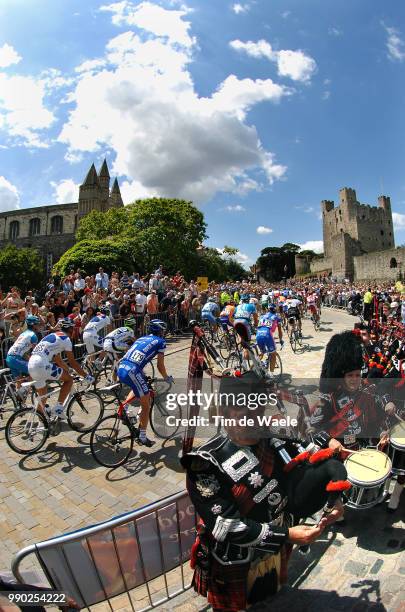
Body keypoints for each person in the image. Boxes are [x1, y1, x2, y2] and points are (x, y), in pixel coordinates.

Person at [182, 373, 347, 612]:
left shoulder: (274, 437)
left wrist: (335, 494)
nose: (252, 418)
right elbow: (226, 526)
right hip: (235, 557)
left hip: (272, 546)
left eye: (258, 408)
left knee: (264, 596)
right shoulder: (205, 462)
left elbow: (309, 460)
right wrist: (287, 535)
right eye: (241, 410)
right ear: (224, 412)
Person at [117, 319, 173, 446]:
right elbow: (160, 365)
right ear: (160, 331)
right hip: (133, 370)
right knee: (146, 404)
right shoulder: (161, 342)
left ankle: (124, 409)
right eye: (163, 331)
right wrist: (166, 377)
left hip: (122, 367)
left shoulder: (141, 338)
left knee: (138, 386)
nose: (164, 333)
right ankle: (142, 436)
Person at [28, 319, 92, 420]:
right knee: (69, 380)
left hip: (31, 364)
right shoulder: (66, 339)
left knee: (43, 395)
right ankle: (58, 408)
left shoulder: (53, 336)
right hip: (41, 364)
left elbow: (59, 361)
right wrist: (86, 376)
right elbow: (73, 362)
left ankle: (42, 420)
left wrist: (69, 370)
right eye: (74, 329)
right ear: (71, 329)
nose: (75, 331)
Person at [6, 315, 41, 384]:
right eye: (37, 324)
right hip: (15, 358)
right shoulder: (33, 336)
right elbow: (36, 353)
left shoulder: (24, 333)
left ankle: (19, 393)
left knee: (19, 381)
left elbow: (23, 350)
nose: (39, 326)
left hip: (9, 357)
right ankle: (29, 389)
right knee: (34, 371)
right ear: (33, 325)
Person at [256, 304, 284, 376]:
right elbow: (280, 331)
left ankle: (257, 365)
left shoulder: (262, 316)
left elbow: (261, 327)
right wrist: (281, 340)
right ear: (275, 310)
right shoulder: (277, 317)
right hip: (267, 335)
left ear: (268, 309)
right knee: (273, 354)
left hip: (258, 334)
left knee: (262, 352)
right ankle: (271, 374)